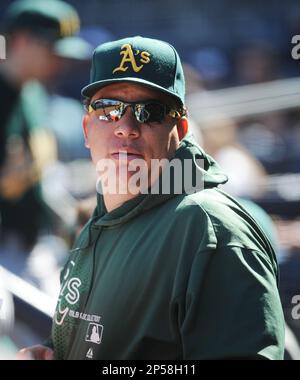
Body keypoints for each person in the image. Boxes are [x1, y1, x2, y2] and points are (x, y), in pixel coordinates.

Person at [17, 36, 285, 360]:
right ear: (87, 129)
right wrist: (50, 353)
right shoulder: (100, 220)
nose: (126, 127)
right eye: (109, 109)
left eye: (150, 111)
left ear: (181, 128)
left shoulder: (209, 229)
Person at [0, 0, 87, 252]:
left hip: (34, 240)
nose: (61, 61)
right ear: (22, 41)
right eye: (53, 49)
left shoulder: (33, 91)